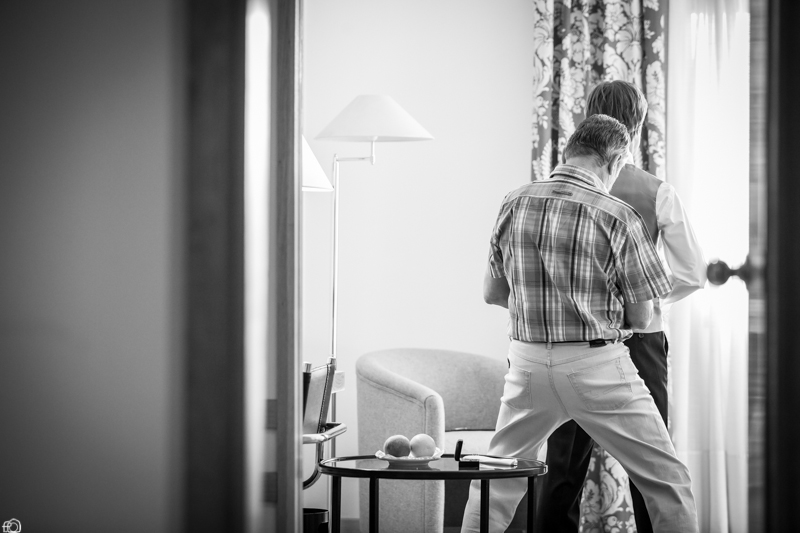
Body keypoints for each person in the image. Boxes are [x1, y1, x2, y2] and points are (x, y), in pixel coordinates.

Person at [460, 114, 699, 533]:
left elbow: (493, 294)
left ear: (569, 151)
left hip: (527, 365)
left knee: (496, 482)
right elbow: (641, 316)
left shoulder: (514, 201)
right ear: (616, 160)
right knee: (667, 482)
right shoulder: (619, 215)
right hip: (596, 366)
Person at [536, 80, 707, 533]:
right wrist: (641, 298)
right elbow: (693, 273)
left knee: (563, 467)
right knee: (652, 467)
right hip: (641, 340)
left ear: (589, 120)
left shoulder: (552, 188)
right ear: (638, 125)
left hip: (573, 339)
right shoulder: (658, 192)